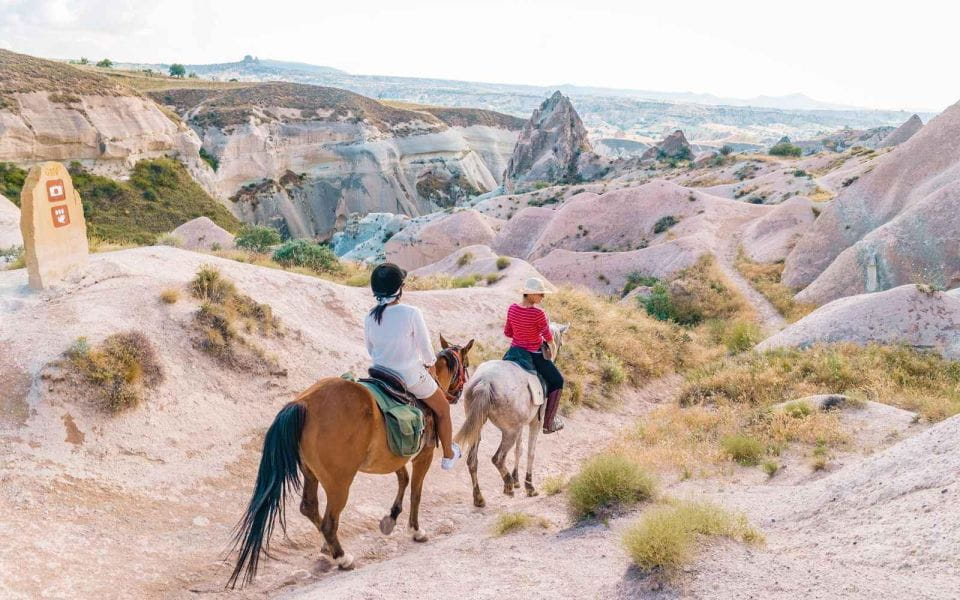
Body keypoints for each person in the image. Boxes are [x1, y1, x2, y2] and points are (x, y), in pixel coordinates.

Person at [364, 263, 461, 470]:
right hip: (408, 376)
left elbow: (370, 349)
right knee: (443, 408)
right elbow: (426, 350)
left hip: (379, 375)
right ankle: (448, 455)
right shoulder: (411, 312)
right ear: (400, 289)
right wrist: (431, 366)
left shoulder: (370, 316)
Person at [503, 277, 565, 433]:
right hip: (533, 354)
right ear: (530, 294)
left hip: (513, 352)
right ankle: (549, 423)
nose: (542, 297)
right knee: (558, 380)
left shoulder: (512, 308)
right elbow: (549, 338)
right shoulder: (539, 313)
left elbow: (507, 332)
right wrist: (550, 348)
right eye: (540, 294)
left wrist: (521, 333)